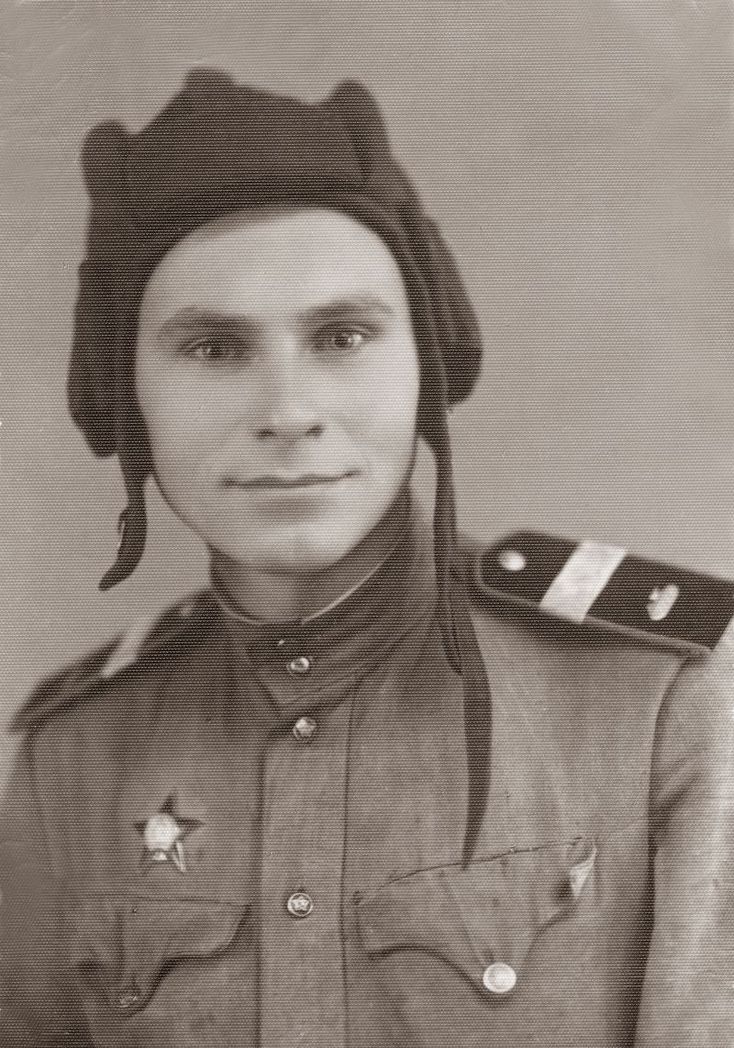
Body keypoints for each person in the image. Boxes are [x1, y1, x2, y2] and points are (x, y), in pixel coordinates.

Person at [0, 69, 733, 1048]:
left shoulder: (658, 697)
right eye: (213, 349)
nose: (287, 412)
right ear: (119, 395)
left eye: (341, 336)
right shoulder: (73, 757)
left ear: (428, 360)